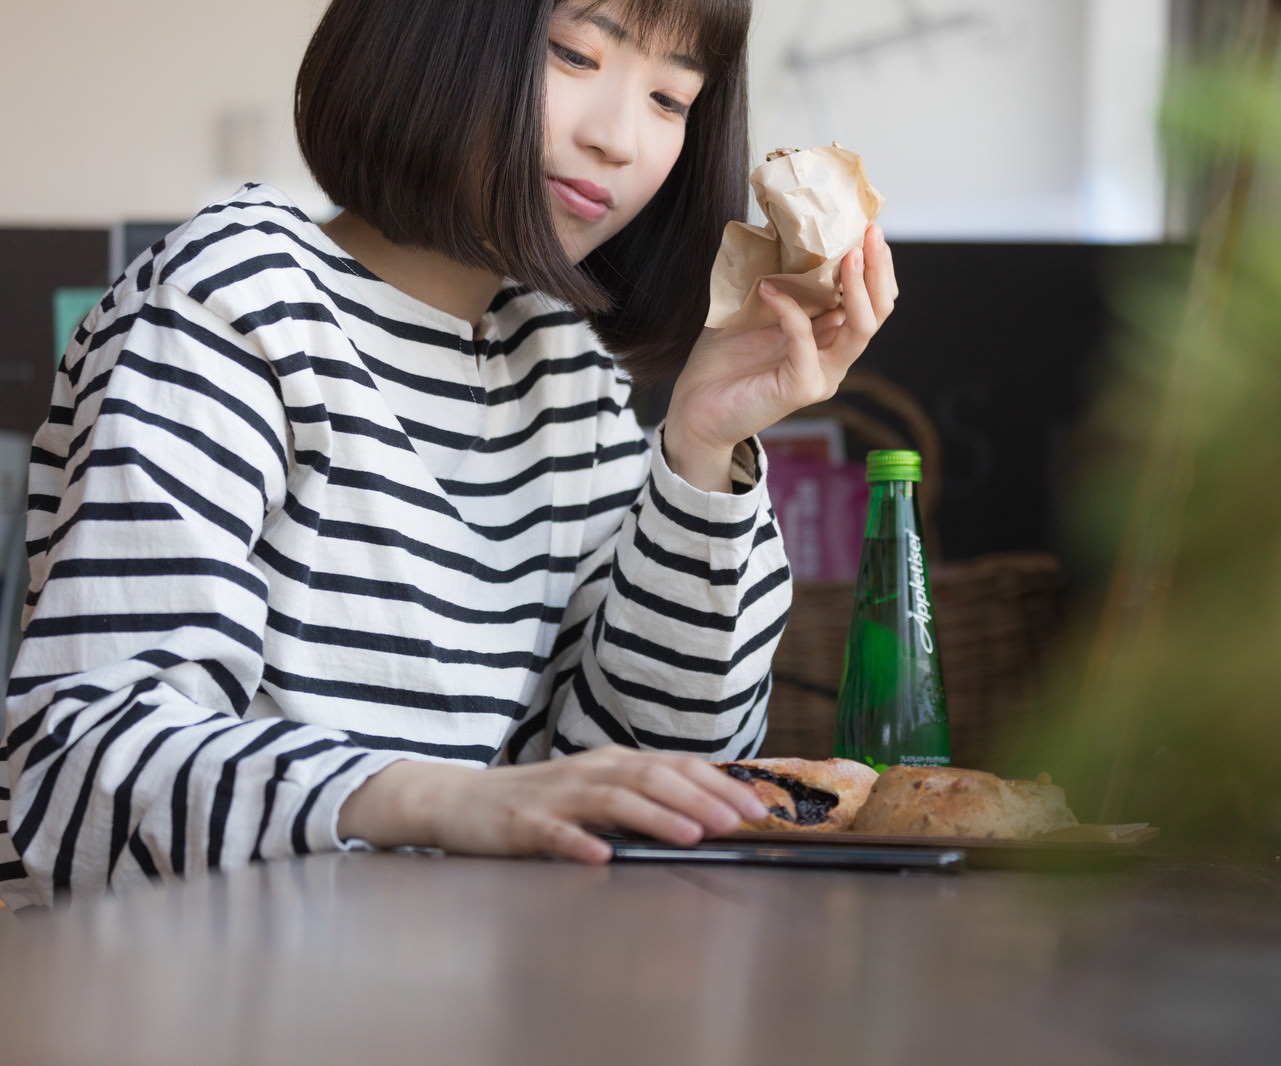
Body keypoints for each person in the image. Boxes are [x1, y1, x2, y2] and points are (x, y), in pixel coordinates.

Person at [0, 0, 898, 908]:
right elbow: (86, 771)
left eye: (671, 99)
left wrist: (704, 449)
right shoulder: (236, 297)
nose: (620, 138)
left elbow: (654, 789)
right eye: (574, 54)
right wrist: (442, 800)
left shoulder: (568, 371)